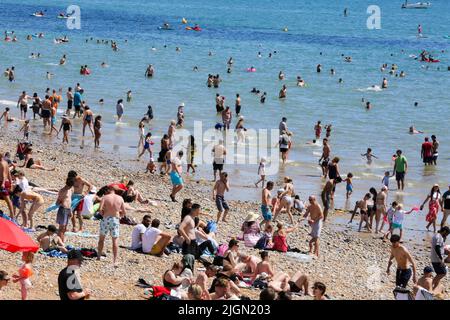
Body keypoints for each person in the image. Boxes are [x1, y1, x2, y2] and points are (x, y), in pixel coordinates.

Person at [97, 186, 126, 266]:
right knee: (115, 240)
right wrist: (119, 216)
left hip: (106, 218)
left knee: (102, 238)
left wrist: (103, 215)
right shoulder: (120, 198)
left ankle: (98, 256)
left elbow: (100, 209)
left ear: (109, 190)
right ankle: (114, 260)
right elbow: (124, 212)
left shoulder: (105, 197)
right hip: (115, 219)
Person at [56, 177, 74, 242]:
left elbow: (69, 201)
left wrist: (70, 210)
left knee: (65, 227)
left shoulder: (70, 190)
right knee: (61, 227)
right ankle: (59, 241)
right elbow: (57, 202)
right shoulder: (62, 191)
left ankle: (61, 241)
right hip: (63, 209)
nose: (71, 187)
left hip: (68, 209)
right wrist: (62, 202)